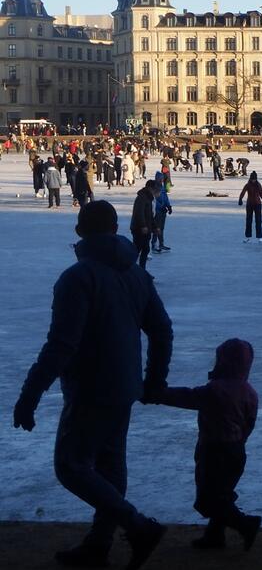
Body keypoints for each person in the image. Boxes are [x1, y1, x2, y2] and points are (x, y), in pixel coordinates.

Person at [12, 200, 172, 569]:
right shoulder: (137, 275)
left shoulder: (78, 278)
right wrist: (153, 380)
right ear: (116, 229)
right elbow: (162, 331)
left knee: (71, 466)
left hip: (90, 389)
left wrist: (30, 394)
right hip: (125, 385)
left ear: (79, 231)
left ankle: (137, 527)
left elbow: (61, 345)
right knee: (110, 467)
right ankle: (100, 544)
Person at [152, 339, 262, 551]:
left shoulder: (216, 390)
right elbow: (250, 423)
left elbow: (187, 397)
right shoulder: (250, 392)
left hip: (215, 450)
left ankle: (246, 525)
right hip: (237, 451)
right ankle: (214, 536)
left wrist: (157, 395)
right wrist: (239, 440)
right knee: (222, 494)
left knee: (208, 499)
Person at [130, 180, 158, 270]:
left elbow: (150, 214)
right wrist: (143, 226)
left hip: (146, 228)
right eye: (154, 189)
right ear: (149, 188)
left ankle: (142, 269)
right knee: (137, 249)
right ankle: (131, 268)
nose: (155, 191)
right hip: (139, 228)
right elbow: (139, 213)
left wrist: (154, 226)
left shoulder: (148, 198)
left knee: (145, 249)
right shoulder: (142, 198)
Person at [238, 172, 262, 243]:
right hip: (249, 204)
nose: (253, 180)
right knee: (248, 221)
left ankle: (260, 237)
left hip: (257, 204)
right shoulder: (247, 185)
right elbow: (243, 192)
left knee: (258, 221)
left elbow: (261, 194)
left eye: (254, 179)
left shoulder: (258, 185)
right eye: (252, 179)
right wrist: (240, 199)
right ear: (250, 178)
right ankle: (248, 237)